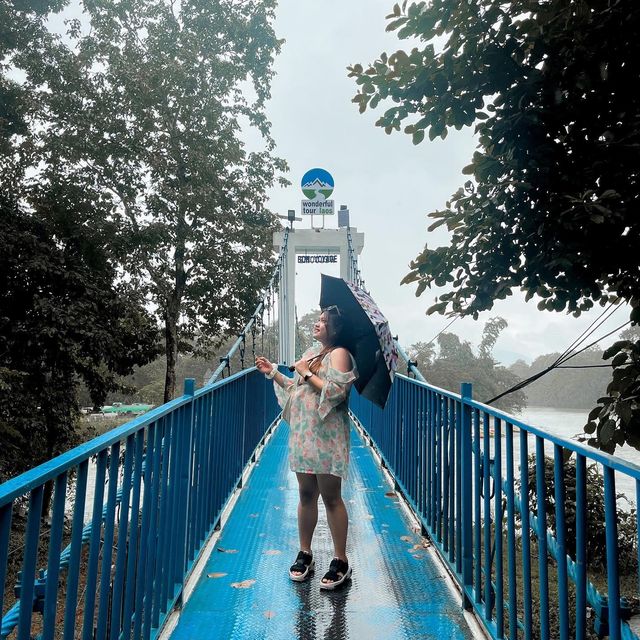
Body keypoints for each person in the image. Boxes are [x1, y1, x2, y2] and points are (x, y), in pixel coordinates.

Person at [255, 305, 357, 590]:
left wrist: (305, 372)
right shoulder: (312, 353)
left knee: (331, 496)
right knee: (305, 493)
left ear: (337, 329)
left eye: (324, 322)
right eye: (319, 319)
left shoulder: (340, 354)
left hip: (326, 435)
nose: (318, 323)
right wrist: (272, 372)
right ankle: (306, 553)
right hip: (303, 433)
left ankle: (340, 560)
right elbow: (295, 389)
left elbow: (336, 392)